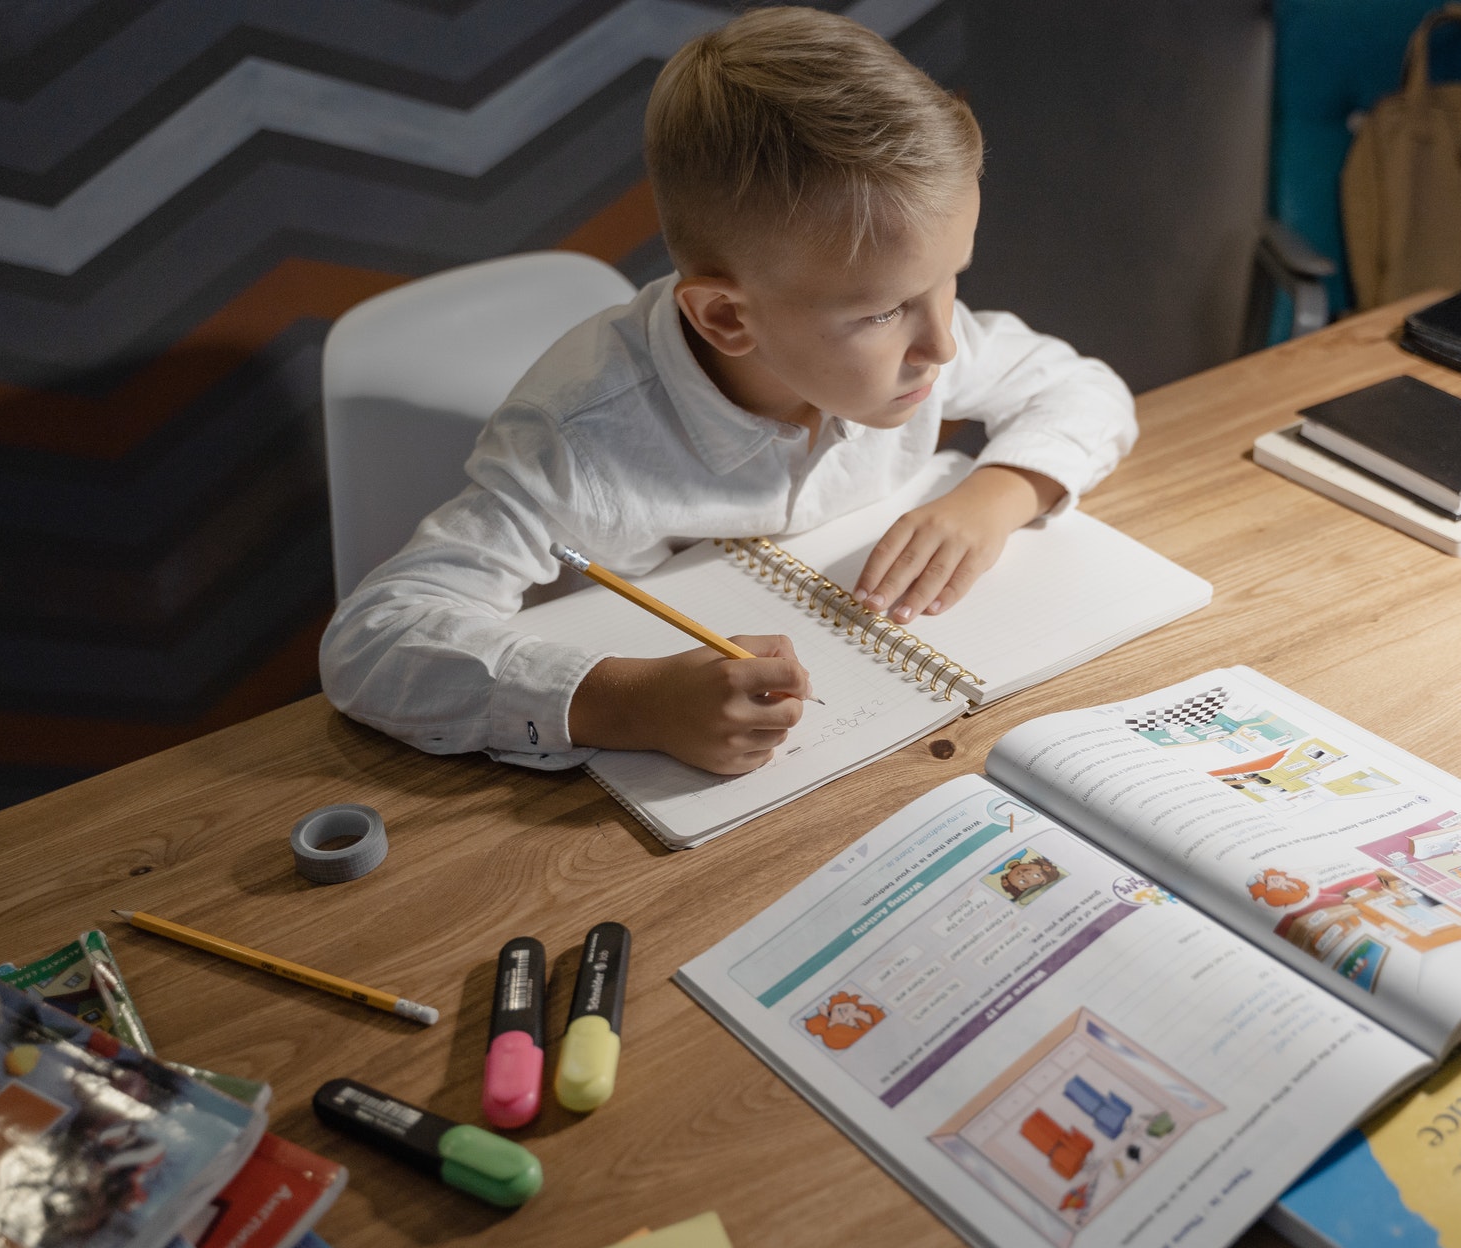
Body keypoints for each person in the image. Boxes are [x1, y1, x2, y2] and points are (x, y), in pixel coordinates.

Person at [319, 7, 1136, 776]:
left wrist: (996, 497)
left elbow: (1085, 390)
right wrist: (631, 705)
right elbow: (369, 644)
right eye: (885, 310)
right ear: (725, 319)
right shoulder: (576, 443)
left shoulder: (915, 349)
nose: (943, 343)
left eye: (950, 281)